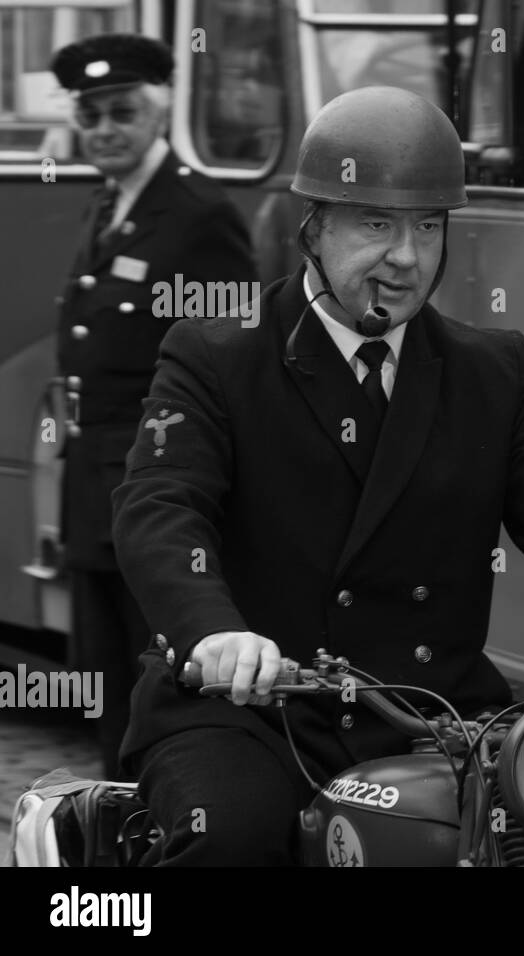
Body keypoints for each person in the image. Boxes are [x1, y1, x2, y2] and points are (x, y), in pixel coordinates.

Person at [111, 86, 524, 865]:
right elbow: (160, 509)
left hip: (432, 716)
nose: (405, 257)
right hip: (252, 712)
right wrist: (216, 634)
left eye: (427, 227)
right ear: (314, 228)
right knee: (231, 840)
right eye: (376, 224)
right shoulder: (219, 354)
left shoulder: (488, 368)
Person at [49, 33, 256, 779]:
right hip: (94, 484)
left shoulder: (197, 211)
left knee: (157, 683)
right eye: (92, 114)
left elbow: (236, 357)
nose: (105, 129)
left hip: (155, 489)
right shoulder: (112, 203)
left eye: (123, 112)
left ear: (159, 111)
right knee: (105, 679)